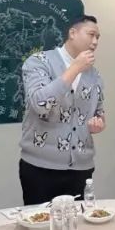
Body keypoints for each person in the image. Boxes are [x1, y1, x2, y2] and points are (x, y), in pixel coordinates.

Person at [19, 14, 105, 205]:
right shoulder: (39, 61)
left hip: (81, 168)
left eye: (98, 37)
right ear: (72, 33)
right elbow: (40, 104)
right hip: (40, 167)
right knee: (40, 221)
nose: (95, 42)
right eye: (91, 34)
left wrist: (98, 124)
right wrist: (75, 68)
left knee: (79, 221)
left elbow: (99, 112)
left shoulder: (94, 75)